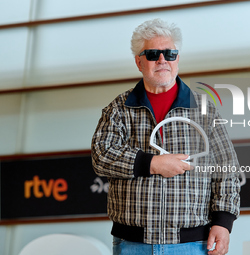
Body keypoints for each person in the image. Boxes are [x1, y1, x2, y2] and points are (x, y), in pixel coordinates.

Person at [91, 18, 240, 255]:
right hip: (132, 244)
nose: (162, 60)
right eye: (152, 54)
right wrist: (152, 163)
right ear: (139, 62)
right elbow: (102, 156)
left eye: (170, 53)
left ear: (177, 59)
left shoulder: (204, 110)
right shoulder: (119, 109)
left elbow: (227, 169)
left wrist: (223, 222)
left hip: (192, 244)